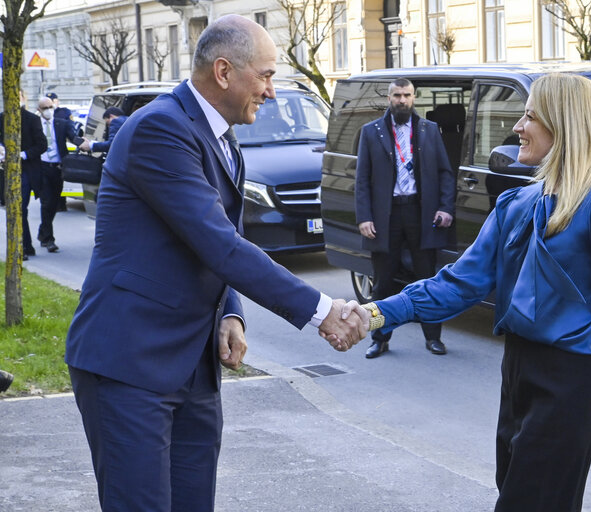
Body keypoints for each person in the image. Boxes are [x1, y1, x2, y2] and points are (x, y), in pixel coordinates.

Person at [65, 15, 367, 512]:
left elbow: (214, 239)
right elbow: (219, 243)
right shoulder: (159, 129)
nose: (271, 91)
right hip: (130, 363)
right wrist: (322, 310)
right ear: (224, 72)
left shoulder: (222, 135)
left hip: (193, 365)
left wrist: (230, 311)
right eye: (266, 75)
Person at [348, 74, 591, 511]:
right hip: (516, 377)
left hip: (566, 385)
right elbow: (457, 284)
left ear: (564, 125)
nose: (517, 126)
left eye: (530, 116)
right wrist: (375, 313)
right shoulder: (514, 205)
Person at [355, 77, 455, 358]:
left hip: (421, 213)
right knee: (383, 282)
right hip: (386, 216)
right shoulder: (371, 132)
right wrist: (364, 217)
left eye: (407, 95)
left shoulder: (429, 130)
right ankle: (380, 339)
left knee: (428, 279)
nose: (402, 100)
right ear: (389, 98)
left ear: (414, 98)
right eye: (397, 95)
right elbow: (362, 178)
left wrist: (446, 208)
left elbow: (445, 174)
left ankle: (433, 337)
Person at [0, 90, 48, 260]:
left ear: (23, 98)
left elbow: (42, 144)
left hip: (26, 170)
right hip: (7, 170)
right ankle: (22, 246)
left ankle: (24, 247)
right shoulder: (2, 118)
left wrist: (23, 154)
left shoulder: (32, 119)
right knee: (15, 209)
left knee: (20, 209)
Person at [36, 96, 80, 253]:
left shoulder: (62, 123)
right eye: (45, 108)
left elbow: (73, 137)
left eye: (50, 107)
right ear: (39, 110)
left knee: (54, 203)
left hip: (57, 167)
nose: (48, 110)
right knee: (46, 202)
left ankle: (43, 231)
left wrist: (87, 144)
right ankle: (49, 239)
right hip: (41, 167)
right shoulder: (35, 124)